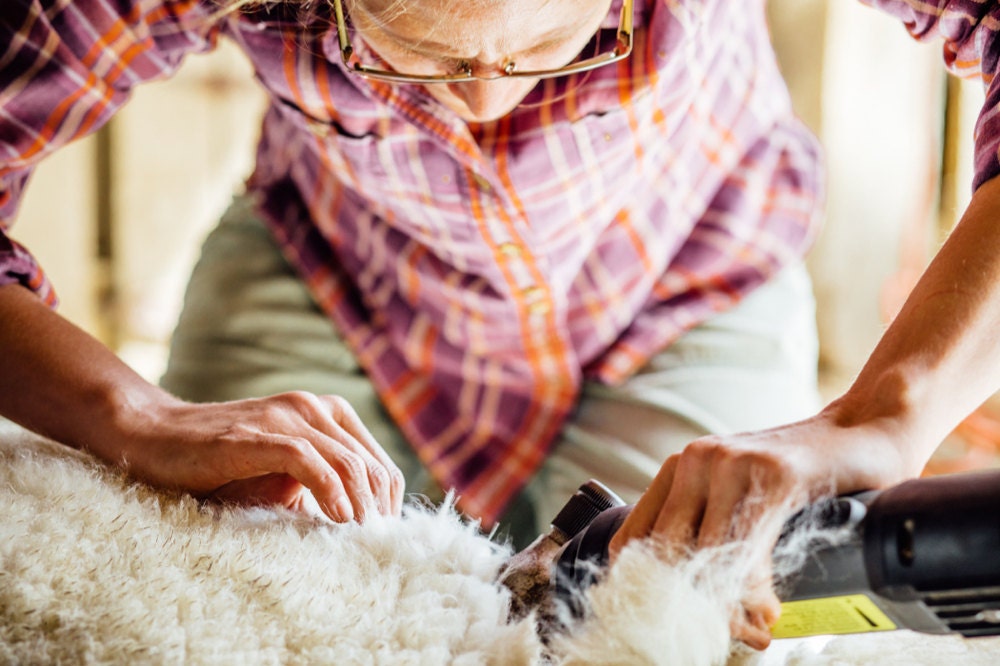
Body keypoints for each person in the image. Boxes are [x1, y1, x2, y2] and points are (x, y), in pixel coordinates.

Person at [1, 0, 996, 650]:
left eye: (549, 46)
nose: (489, 100)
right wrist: (127, 412)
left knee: (707, 626)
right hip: (336, 264)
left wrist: (886, 414)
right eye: (417, 57)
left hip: (683, 273)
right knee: (204, 604)